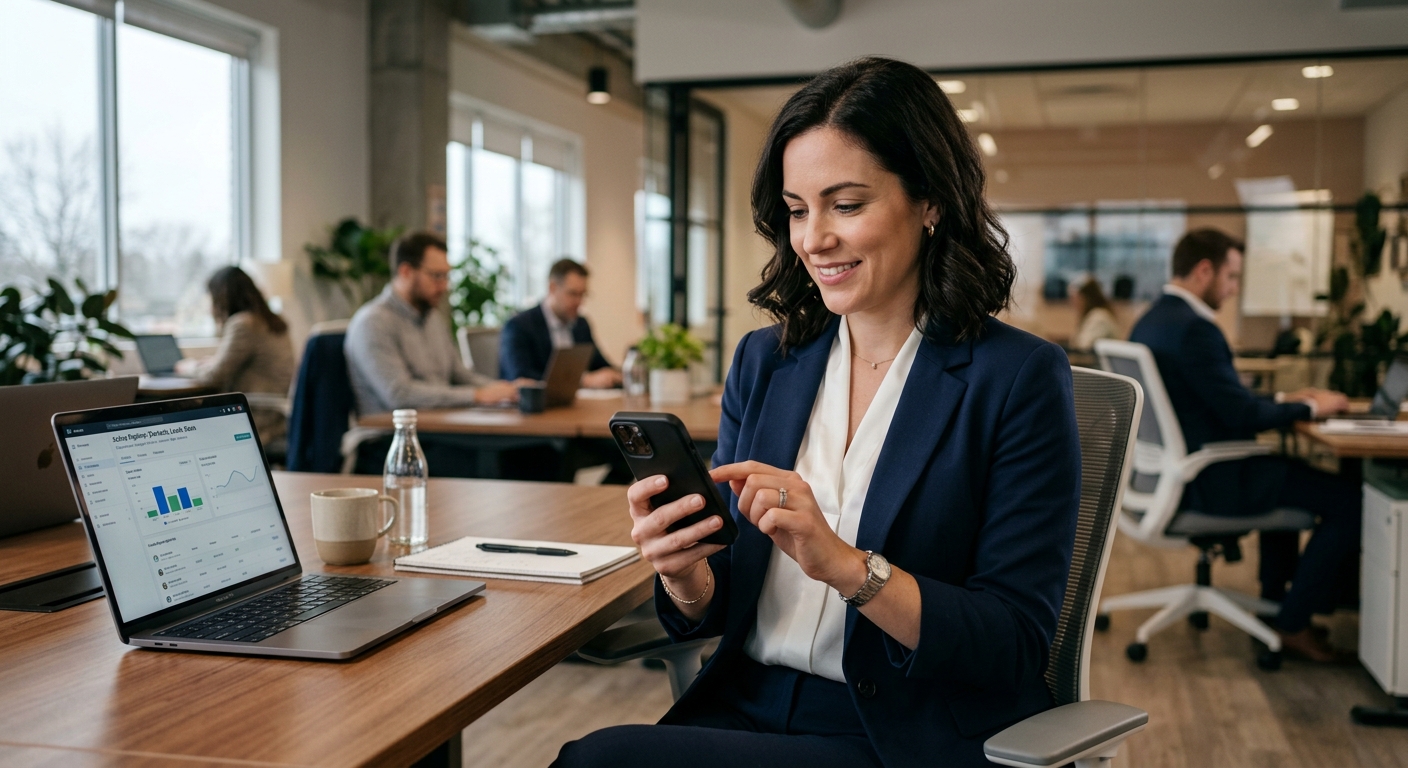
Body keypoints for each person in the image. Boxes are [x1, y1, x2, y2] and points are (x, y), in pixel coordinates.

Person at [555, 57, 1081, 768]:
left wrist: (845, 566)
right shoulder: (767, 362)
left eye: (847, 204)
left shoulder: (1015, 377)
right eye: (798, 210)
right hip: (748, 703)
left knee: (600, 763)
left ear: (930, 202)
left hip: (897, 732)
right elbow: (724, 599)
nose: (812, 239)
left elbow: (1012, 641)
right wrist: (684, 576)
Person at [1129, 228, 1359, 662]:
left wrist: (1285, 400)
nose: (1233, 290)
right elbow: (1240, 415)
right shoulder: (1196, 329)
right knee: (1350, 501)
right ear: (1203, 271)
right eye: (1231, 278)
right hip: (1212, 479)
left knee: (1286, 470)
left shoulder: (1152, 320)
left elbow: (1221, 401)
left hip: (1175, 473)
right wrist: (1310, 408)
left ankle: (1279, 606)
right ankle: (1292, 623)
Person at [345, 231, 523, 416]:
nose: (444, 286)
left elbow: (459, 375)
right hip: (392, 437)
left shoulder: (433, 318)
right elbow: (399, 395)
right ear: (405, 271)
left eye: (447, 276)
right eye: (437, 276)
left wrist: (507, 390)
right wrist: (477, 395)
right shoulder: (373, 323)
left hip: (440, 426)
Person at [176, 266, 295, 444]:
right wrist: (213, 362)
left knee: (185, 426)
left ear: (221, 296)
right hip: (278, 415)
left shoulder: (243, 324)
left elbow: (213, 377)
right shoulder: (270, 320)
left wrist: (189, 367)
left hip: (257, 416)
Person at [499, 258, 620, 387]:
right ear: (552, 288)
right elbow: (521, 377)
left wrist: (619, 374)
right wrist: (582, 381)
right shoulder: (519, 326)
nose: (579, 302)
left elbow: (600, 365)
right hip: (535, 406)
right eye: (573, 294)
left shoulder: (581, 325)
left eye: (583, 295)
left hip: (578, 406)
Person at [1071, 277, 1119, 350]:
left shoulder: (1099, 316)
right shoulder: (1091, 315)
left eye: (1076, 299)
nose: (1073, 303)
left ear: (1086, 298)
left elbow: (1083, 346)